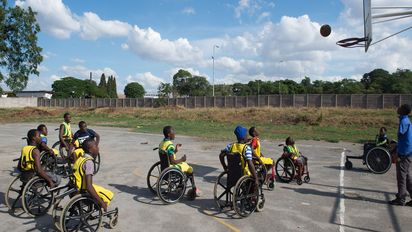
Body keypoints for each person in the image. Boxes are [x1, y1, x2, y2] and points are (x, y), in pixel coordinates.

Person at [72, 139, 113, 211]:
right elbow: (89, 187)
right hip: (82, 190)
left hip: (75, 187)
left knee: (98, 188)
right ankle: (99, 206)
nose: (98, 148)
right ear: (90, 150)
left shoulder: (80, 158)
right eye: (96, 146)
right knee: (109, 194)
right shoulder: (89, 163)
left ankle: (96, 206)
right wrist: (102, 203)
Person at [159, 126, 200, 199]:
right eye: (173, 132)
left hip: (164, 167)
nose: (174, 134)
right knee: (189, 168)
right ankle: (193, 189)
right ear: (169, 134)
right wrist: (182, 159)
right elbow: (173, 161)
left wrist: (175, 151)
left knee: (184, 165)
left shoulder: (162, 143)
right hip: (171, 168)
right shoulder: (170, 145)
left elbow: (168, 155)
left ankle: (181, 185)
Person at [389, 104, 412, 206]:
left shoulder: (403, 121)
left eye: (400, 107)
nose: (398, 108)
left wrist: (396, 149)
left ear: (403, 110)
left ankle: (401, 199)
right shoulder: (406, 120)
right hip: (407, 151)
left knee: (401, 177)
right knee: (406, 176)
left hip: (404, 153)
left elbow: (401, 136)